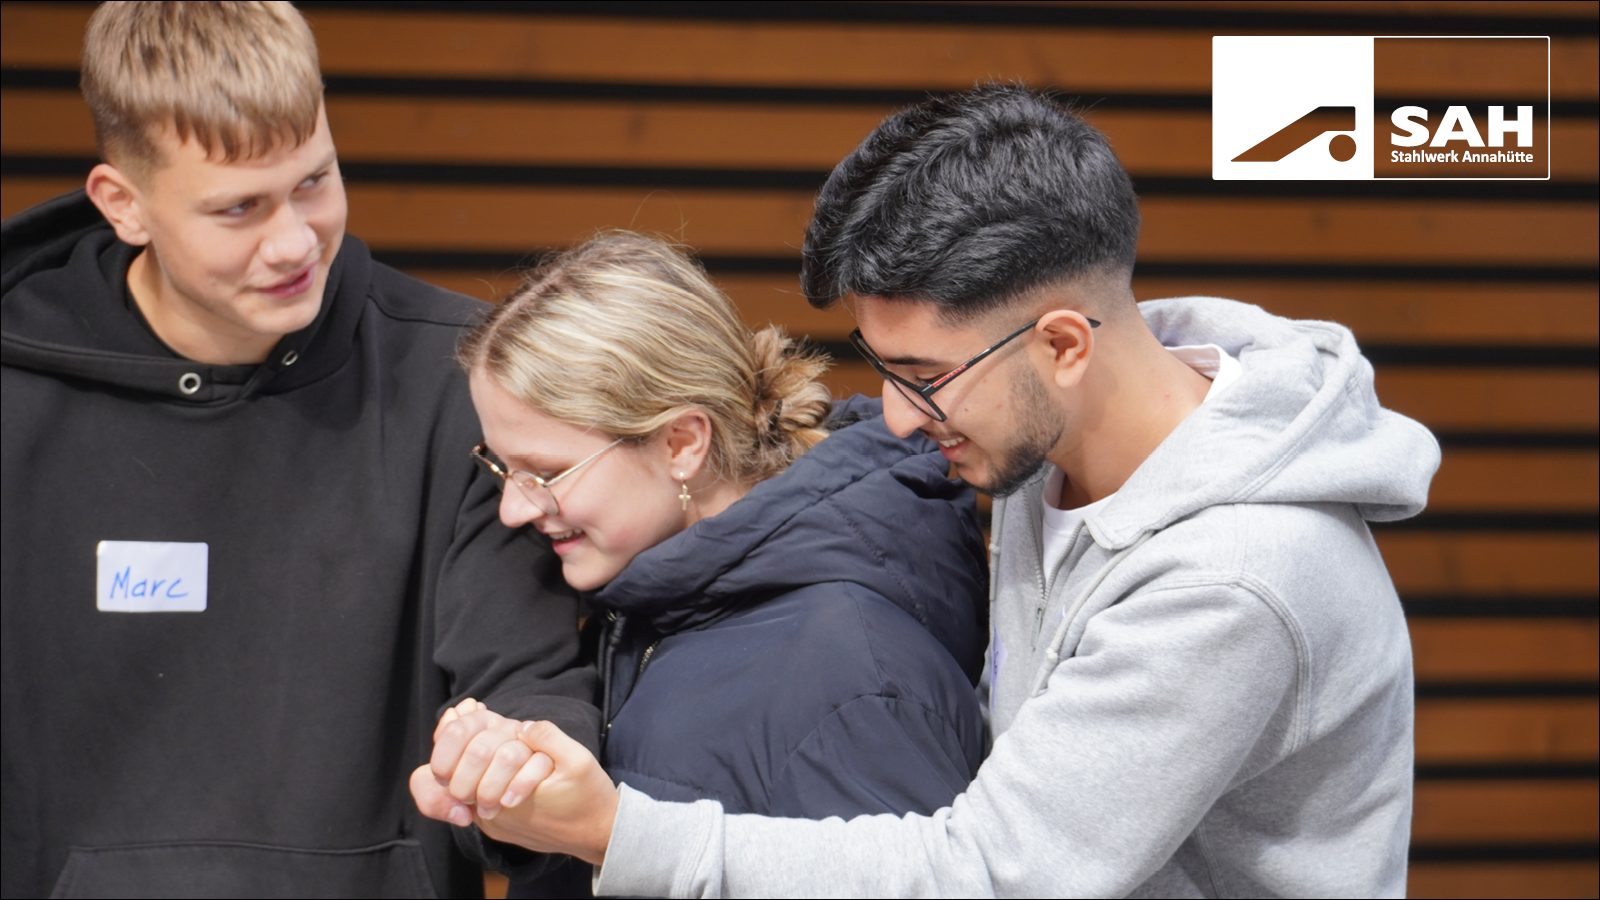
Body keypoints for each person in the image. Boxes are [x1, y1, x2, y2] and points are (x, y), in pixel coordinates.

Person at [414, 85, 1442, 898]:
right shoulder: (1054, 455)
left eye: (926, 377)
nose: (897, 418)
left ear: (1064, 345)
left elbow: (992, 873)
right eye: (884, 367)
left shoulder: (1238, 583)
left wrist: (613, 833)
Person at [0, 3, 598, 896]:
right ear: (122, 205)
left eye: (313, 183)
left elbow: (526, 678)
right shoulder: (18, 401)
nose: (293, 242)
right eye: (238, 208)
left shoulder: (461, 382)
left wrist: (522, 766)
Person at [418, 231, 989, 897]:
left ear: (683, 443)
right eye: (501, 468)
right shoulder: (652, 601)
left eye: (546, 471)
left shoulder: (850, 668)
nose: (514, 509)